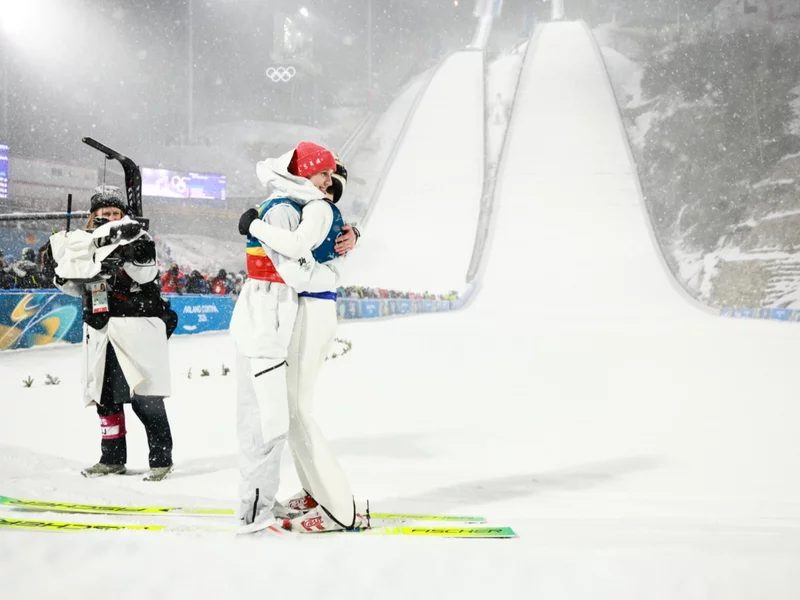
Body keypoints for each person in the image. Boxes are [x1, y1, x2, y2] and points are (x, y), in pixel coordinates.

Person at [230, 141, 361, 534]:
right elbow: (297, 264)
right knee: (281, 412)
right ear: (301, 173)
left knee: (288, 412)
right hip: (280, 312)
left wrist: (345, 245)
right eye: (323, 175)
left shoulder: (308, 207)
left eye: (332, 179)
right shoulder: (290, 208)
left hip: (299, 308)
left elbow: (302, 266)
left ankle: (334, 505)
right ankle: (315, 495)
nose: (328, 184)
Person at [49, 187, 177, 481]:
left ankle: (161, 460)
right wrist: (61, 275)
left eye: (115, 214)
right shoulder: (83, 241)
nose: (109, 218)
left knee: (146, 398)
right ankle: (112, 458)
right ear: (93, 216)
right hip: (100, 329)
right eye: (103, 214)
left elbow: (146, 274)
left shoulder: (138, 237)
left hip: (134, 329)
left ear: (124, 216)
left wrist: (125, 249)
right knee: (105, 399)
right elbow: (74, 283)